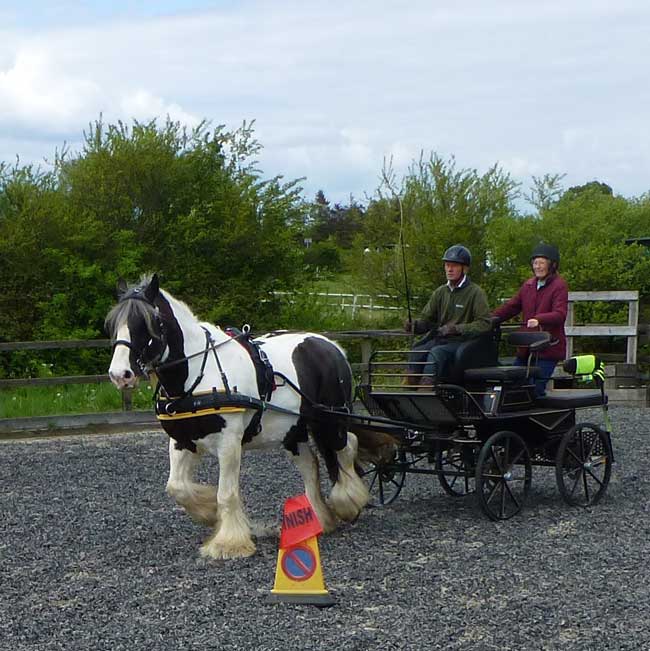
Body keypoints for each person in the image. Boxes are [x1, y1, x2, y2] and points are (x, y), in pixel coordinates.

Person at [404, 244, 492, 387]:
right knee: (417, 350)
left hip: (463, 342)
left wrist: (457, 329)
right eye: (447, 265)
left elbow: (484, 323)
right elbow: (428, 320)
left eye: (454, 266)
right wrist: (414, 325)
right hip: (440, 339)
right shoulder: (441, 292)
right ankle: (410, 390)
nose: (449, 269)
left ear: (464, 268)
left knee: (436, 353)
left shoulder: (475, 293)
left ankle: (427, 390)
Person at [492, 242, 568, 397]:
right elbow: (512, 307)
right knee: (513, 385)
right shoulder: (528, 285)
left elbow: (560, 314)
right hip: (526, 348)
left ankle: (543, 419)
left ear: (552, 265)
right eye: (535, 263)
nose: (537, 266)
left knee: (535, 389)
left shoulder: (559, 286)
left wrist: (539, 319)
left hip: (548, 348)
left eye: (541, 263)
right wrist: (490, 319)